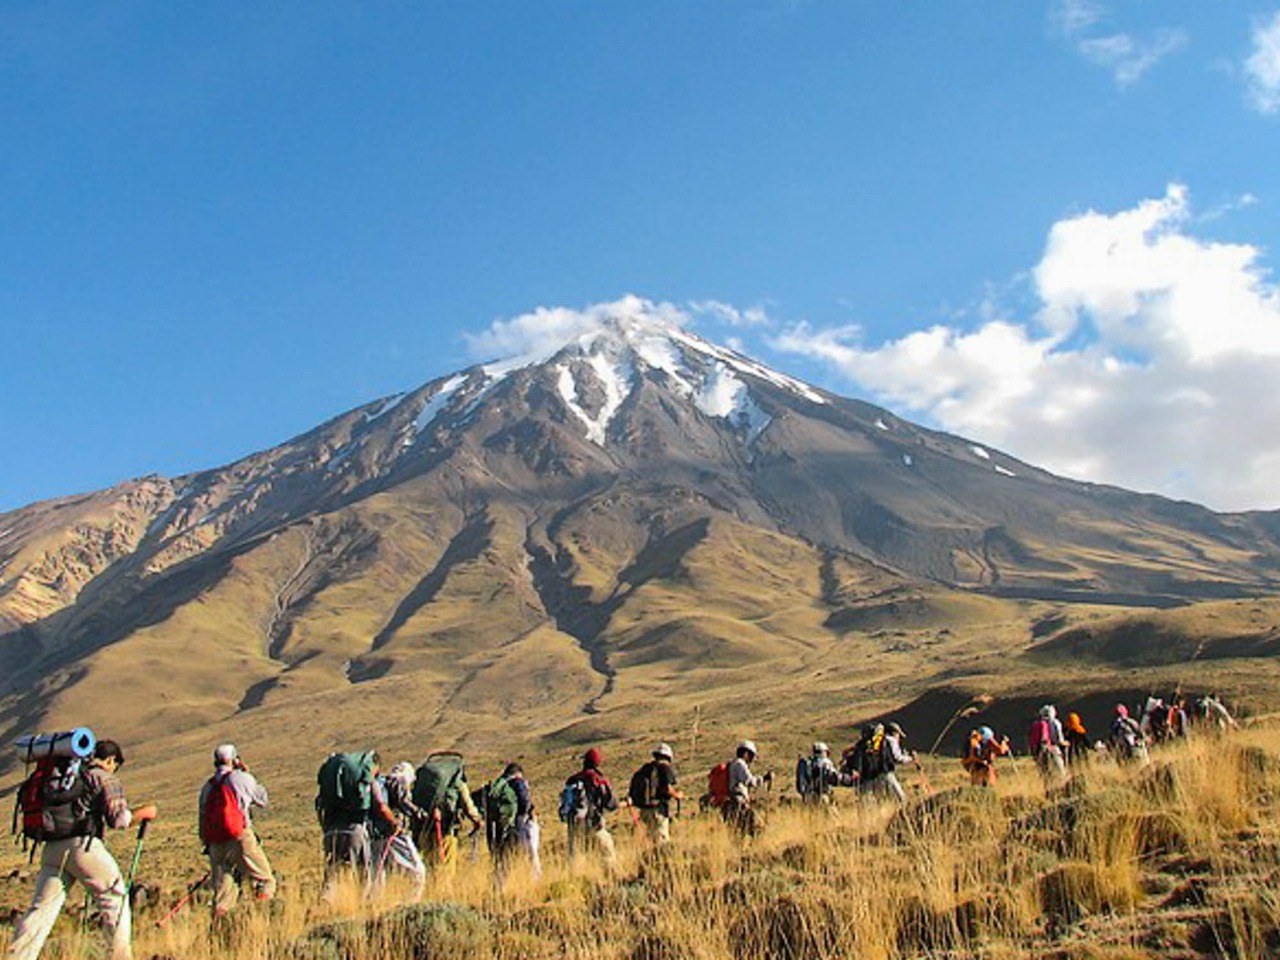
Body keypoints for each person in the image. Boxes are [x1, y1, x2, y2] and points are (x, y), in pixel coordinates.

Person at [7, 739, 158, 960]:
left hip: (52, 848)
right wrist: (145, 813)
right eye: (115, 764)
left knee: (41, 910)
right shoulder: (104, 777)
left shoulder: (67, 775)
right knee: (115, 899)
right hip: (84, 847)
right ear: (110, 760)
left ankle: (17, 956)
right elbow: (119, 820)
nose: (114, 768)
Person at [197, 744, 275, 919]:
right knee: (265, 880)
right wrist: (247, 773)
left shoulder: (207, 787)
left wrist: (207, 844)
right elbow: (262, 799)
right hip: (240, 837)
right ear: (234, 759)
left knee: (223, 896)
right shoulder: (241, 779)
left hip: (215, 844)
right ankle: (261, 920)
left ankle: (219, 930)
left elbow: (202, 819)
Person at [316, 751, 396, 901]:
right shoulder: (366, 781)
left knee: (332, 877)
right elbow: (381, 806)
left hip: (330, 833)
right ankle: (364, 909)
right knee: (364, 877)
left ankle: (323, 906)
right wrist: (394, 823)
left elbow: (320, 808)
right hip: (355, 832)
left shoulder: (331, 786)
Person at [370, 762, 426, 898]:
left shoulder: (382, 782)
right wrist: (420, 813)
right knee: (418, 871)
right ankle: (412, 904)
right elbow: (405, 803)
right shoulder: (400, 781)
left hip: (375, 834)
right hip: (395, 834)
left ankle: (373, 909)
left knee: (378, 876)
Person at [562, 747, 619, 871]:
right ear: (597, 763)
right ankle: (611, 880)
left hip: (574, 825)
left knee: (576, 860)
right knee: (607, 855)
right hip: (594, 824)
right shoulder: (598, 779)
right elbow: (611, 803)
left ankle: (575, 886)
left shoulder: (572, 780)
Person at [485, 763, 536, 881]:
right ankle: (505, 886)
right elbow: (525, 803)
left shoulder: (499, 785)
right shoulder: (518, 782)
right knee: (514, 858)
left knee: (501, 859)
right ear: (518, 773)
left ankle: (496, 884)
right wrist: (525, 814)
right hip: (514, 825)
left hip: (498, 826)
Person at [628, 743, 683, 845]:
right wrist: (677, 795)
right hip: (658, 810)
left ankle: (650, 859)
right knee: (661, 842)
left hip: (644, 810)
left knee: (650, 840)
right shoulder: (665, 768)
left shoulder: (645, 768)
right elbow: (667, 789)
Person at [723, 741, 772, 837]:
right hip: (738, 803)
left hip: (730, 804)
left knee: (737, 834)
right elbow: (750, 781)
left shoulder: (732, 764)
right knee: (758, 829)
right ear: (746, 754)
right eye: (752, 756)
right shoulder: (740, 764)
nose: (752, 759)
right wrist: (764, 778)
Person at [1029, 705, 1067, 786]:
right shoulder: (1055, 723)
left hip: (1040, 750)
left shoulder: (1037, 724)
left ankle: (1049, 790)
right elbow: (1059, 739)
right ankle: (1062, 788)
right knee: (1060, 772)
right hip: (1053, 749)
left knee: (1046, 773)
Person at [795, 742, 840, 807]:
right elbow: (835, 778)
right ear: (823, 751)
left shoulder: (808, 763)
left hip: (808, 795)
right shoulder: (825, 762)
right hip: (823, 795)